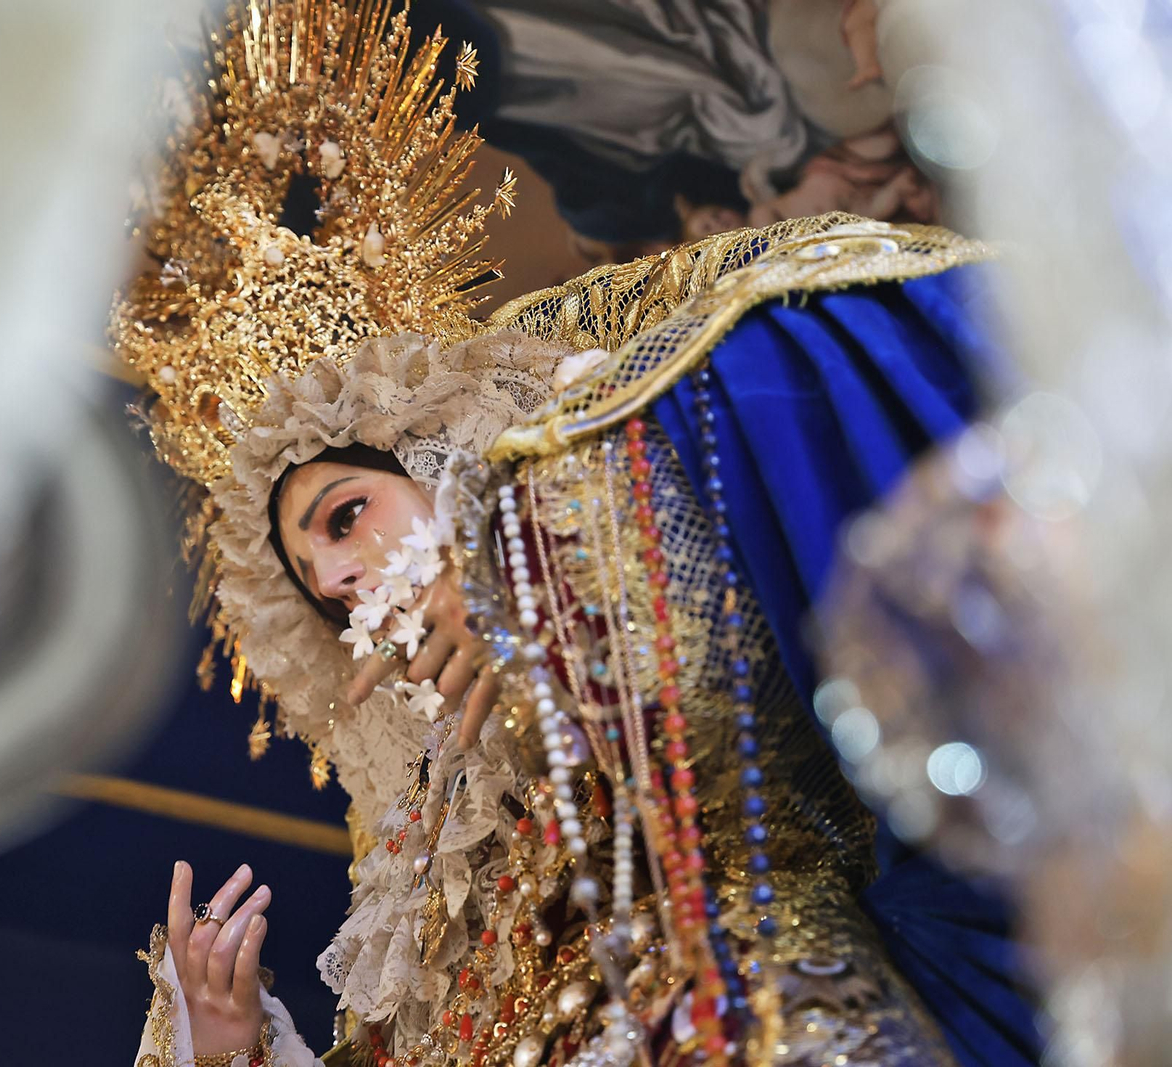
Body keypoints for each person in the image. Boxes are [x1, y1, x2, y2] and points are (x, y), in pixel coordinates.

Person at [119, 4, 1039, 1064]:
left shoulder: (605, 511)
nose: (338, 574)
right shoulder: (416, 847)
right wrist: (233, 1045)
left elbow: (852, 307)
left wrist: (539, 539)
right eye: (318, 581)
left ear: (433, 456)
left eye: (344, 513)